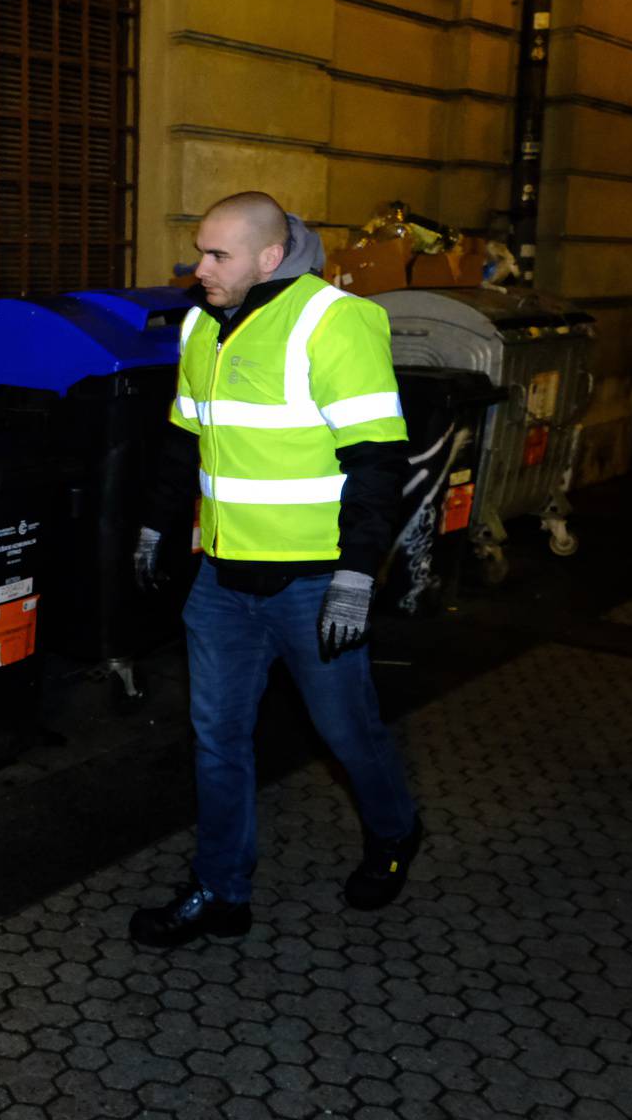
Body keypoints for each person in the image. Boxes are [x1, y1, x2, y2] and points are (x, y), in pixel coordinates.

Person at [128, 191, 423, 949]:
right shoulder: (201, 325)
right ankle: (221, 890)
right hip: (222, 584)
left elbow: (377, 460)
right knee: (218, 740)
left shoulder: (335, 320)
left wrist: (358, 574)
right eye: (200, 251)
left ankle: (395, 832)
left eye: (217, 255)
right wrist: (158, 526)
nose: (200, 270)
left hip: (313, 587)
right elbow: (181, 443)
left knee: (346, 732)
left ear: (268, 256)